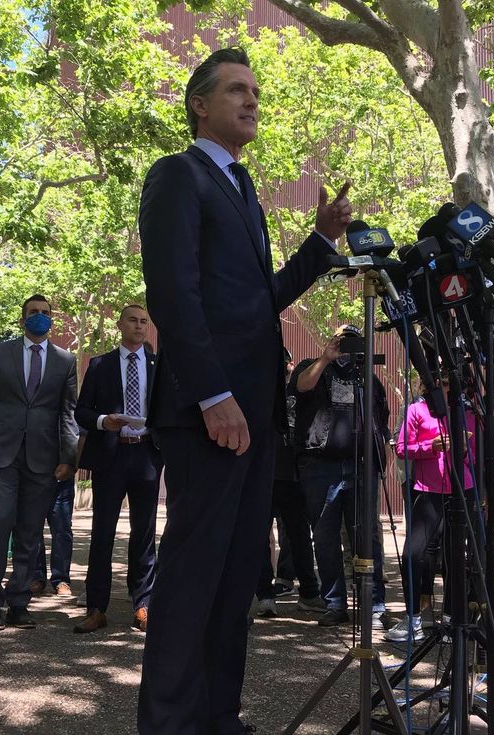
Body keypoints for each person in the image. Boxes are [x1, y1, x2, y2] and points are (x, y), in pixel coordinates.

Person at [137, 46, 352, 735]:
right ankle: (170, 725)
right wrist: (211, 395)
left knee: (236, 577)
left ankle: (217, 717)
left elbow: (258, 302)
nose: (252, 100)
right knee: (194, 572)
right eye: (236, 89)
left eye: (255, 91)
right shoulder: (178, 174)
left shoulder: (244, 189)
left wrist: (320, 242)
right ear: (199, 105)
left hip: (256, 414)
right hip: (210, 412)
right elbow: (173, 294)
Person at [0, 294, 78, 632]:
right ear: (22, 318)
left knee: (30, 532)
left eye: (45, 312)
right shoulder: (0, 353)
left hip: (43, 458)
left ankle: (18, 603)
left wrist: (69, 458)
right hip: (1, 454)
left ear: (51, 319)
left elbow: (68, 412)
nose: (40, 316)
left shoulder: (66, 360)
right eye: (33, 312)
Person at [289, 326, 389, 628]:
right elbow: (301, 387)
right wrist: (326, 357)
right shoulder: (312, 366)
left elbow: (380, 420)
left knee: (366, 537)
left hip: (361, 465)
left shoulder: (367, 377)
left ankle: (374, 604)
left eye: (353, 341)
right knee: (325, 537)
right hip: (320, 467)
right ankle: (334, 604)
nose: (346, 347)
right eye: (342, 340)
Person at [73, 305, 162, 634]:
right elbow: (81, 411)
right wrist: (102, 421)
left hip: (147, 455)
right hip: (110, 456)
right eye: (133, 320)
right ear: (120, 324)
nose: (139, 326)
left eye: (143, 321)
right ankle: (96, 608)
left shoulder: (158, 365)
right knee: (103, 533)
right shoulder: (100, 365)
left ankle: (143, 605)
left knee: (144, 533)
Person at [389, 376, 477, 643]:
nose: (449, 388)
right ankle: (413, 619)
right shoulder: (416, 409)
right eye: (443, 383)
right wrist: (431, 446)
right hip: (428, 489)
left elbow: (479, 455)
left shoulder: (468, 412)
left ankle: (451, 620)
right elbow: (401, 449)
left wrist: (464, 450)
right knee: (412, 554)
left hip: (462, 488)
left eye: (453, 383)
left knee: (455, 556)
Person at [255, 350, 322, 618]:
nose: (280, 368)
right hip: (265, 473)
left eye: (283, 364)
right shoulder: (259, 391)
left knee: (300, 536)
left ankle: (309, 592)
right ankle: (264, 594)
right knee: (260, 537)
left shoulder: (300, 389)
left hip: (295, 474)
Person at [31, 476, 76, 597]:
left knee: (62, 529)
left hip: (62, 478)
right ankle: (36, 576)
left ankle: (61, 579)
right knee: (33, 530)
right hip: (34, 477)